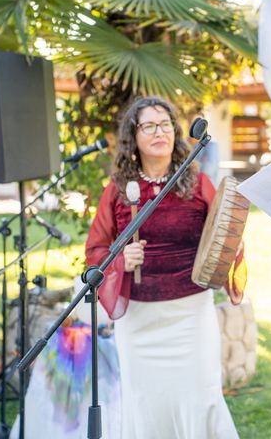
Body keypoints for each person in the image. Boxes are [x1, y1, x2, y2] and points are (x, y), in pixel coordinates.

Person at [85, 96, 241, 439]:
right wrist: (119, 260)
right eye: (149, 125)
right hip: (139, 322)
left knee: (200, 398)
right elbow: (95, 251)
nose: (160, 131)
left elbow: (226, 232)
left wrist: (231, 247)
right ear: (133, 138)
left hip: (190, 316)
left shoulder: (198, 183)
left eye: (166, 124)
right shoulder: (117, 191)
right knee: (146, 405)